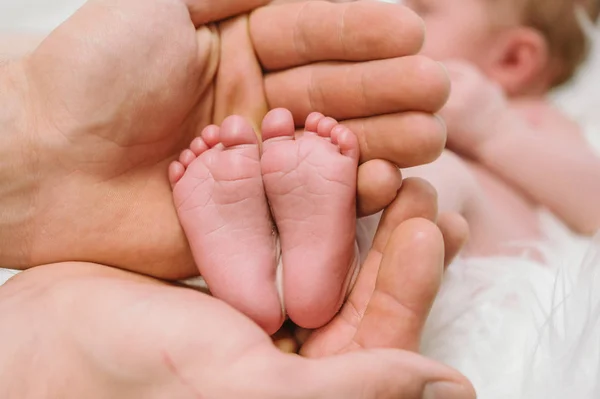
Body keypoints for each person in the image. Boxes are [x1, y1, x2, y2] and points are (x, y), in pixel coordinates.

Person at [0, 0, 476, 397]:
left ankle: (273, 259)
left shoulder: (503, 114)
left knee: (427, 181)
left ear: (519, 58)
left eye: (428, 8)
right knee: (427, 187)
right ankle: (316, 261)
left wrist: (499, 130)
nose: (402, 4)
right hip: (406, 183)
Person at [401, 0, 600, 256]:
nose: (394, 16)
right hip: (414, 258)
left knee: (441, 177)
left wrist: (495, 131)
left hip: (493, 269)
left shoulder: (535, 118)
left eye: (423, 10)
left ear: (512, 60)